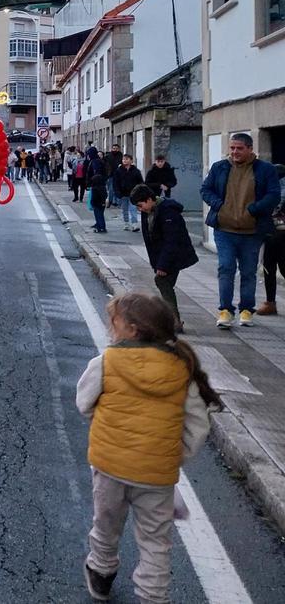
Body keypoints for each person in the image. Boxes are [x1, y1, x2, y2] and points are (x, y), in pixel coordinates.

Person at [77, 292, 218, 604]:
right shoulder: (182, 367)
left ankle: (101, 572)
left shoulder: (107, 361)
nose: (110, 327)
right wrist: (173, 455)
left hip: (110, 465)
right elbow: (197, 425)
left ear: (132, 330)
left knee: (106, 524)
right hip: (156, 476)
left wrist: (106, 425)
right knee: (156, 540)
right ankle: (153, 596)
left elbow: (84, 403)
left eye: (113, 322)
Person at [200, 132, 281, 329]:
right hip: (224, 229)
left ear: (250, 149)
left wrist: (254, 209)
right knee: (226, 268)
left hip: (252, 231)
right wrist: (218, 204)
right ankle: (225, 311)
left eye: (239, 148)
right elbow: (205, 190)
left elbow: (274, 195)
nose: (234, 152)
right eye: (232, 148)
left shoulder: (265, 170)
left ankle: (246, 309)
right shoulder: (220, 167)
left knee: (248, 272)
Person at [130, 184, 198, 333]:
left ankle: (174, 322)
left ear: (149, 199)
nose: (140, 209)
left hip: (175, 254)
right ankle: (170, 320)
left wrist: (162, 265)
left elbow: (172, 241)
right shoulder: (148, 212)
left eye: (141, 205)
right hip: (164, 255)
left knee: (162, 281)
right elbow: (150, 239)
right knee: (163, 282)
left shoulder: (168, 213)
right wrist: (156, 263)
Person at [260, 164, 285, 316]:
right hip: (271, 232)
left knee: (273, 267)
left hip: (280, 233)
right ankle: (270, 303)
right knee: (269, 267)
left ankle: (270, 302)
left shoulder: (276, 188)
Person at [114, 154, 144, 232]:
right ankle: (126, 222)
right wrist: (117, 192)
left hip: (133, 193)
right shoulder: (119, 170)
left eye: (127, 159)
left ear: (131, 160)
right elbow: (116, 182)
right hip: (123, 193)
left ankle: (134, 224)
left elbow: (140, 182)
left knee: (133, 208)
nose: (125, 161)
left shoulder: (135, 171)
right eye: (123, 159)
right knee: (124, 209)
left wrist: (139, 191)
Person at [88, 159, 108, 234]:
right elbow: (105, 195)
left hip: (96, 204)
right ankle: (102, 227)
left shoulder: (94, 188)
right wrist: (103, 202)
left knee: (98, 216)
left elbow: (93, 198)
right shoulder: (103, 187)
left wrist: (92, 203)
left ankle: (100, 227)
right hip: (102, 204)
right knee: (101, 215)